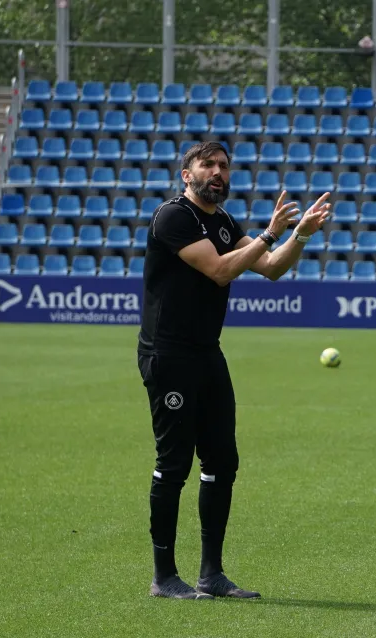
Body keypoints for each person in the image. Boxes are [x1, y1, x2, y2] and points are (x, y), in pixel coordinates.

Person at [138, 141, 332, 600]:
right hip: (169, 355)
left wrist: (299, 235)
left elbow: (271, 268)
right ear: (187, 174)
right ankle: (164, 577)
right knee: (174, 464)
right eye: (208, 164)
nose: (218, 172)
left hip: (207, 353)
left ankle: (211, 575)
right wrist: (268, 233)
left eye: (224, 165)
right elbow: (221, 271)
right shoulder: (173, 217)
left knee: (222, 461)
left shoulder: (223, 221)